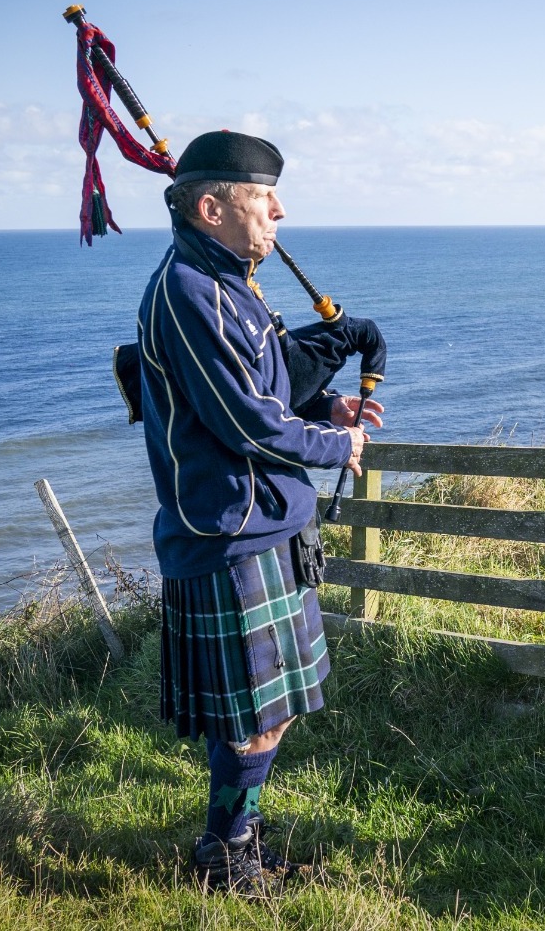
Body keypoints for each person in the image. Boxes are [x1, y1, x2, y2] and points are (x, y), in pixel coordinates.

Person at [137, 130, 384, 895]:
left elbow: (268, 380)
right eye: (260, 198)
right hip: (232, 532)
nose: (278, 209)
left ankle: (229, 842)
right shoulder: (189, 290)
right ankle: (229, 853)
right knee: (255, 719)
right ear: (211, 207)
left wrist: (323, 398)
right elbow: (245, 420)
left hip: (260, 523)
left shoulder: (231, 282)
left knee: (256, 715)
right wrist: (332, 440)